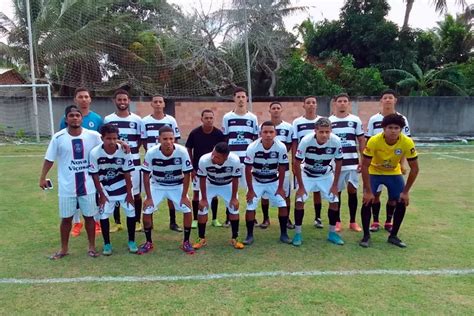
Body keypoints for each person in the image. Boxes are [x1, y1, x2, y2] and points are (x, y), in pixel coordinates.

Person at [40, 105, 102, 259]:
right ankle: (64, 249)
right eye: (71, 115)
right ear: (66, 119)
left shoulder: (93, 135)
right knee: (66, 219)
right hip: (67, 186)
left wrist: (122, 143)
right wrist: (42, 177)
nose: (75, 118)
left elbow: (109, 142)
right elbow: (49, 159)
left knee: (89, 217)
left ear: (81, 118)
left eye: (77, 115)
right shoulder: (58, 137)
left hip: (88, 185)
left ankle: (92, 247)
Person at [359, 114, 419, 248]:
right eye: (390, 127)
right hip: (375, 172)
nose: (393, 130)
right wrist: (368, 191)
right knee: (367, 200)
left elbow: (415, 169)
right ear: (384, 128)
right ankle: (366, 236)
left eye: (397, 128)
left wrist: (406, 192)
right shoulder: (374, 141)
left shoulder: (407, 142)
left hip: (393, 172)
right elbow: (365, 165)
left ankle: (393, 236)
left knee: (401, 201)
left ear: (401, 129)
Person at [140, 126, 195, 254]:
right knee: (147, 210)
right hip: (157, 184)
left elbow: (187, 174)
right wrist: (148, 197)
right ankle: (148, 242)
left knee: (187, 208)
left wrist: (184, 195)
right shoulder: (151, 152)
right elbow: (146, 175)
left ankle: (186, 242)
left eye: (171, 138)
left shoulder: (181, 151)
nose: (168, 142)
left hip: (177, 185)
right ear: (158, 139)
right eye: (165, 139)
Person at [293, 118, 344, 247]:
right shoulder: (306, 141)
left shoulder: (336, 141)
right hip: (307, 174)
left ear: (331, 131)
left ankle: (332, 233)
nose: (324, 135)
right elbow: (296, 162)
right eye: (321, 132)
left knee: (334, 202)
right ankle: (298, 233)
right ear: (315, 131)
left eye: (327, 132)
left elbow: (339, 162)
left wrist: (334, 185)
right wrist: (301, 186)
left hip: (326, 175)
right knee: (299, 201)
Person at [59, 87, 103, 238]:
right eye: (80, 97)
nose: (84, 99)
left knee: (93, 193)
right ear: (75, 99)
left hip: (91, 165)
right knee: (73, 193)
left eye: (86, 96)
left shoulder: (97, 119)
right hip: (74, 165)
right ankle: (77, 222)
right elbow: (62, 139)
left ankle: (96, 221)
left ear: (90, 99)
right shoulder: (66, 118)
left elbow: (103, 140)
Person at [366, 89, 411, 232]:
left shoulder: (402, 119)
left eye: (390, 98)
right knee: (375, 195)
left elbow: (405, 144)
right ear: (381, 100)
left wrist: (401, 163)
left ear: (395, 100)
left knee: (394, 198)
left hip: (393, 166)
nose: (388, 100)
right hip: (375, 166)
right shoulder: (374, 119)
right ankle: (375, 221)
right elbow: (369, 143)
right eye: (385, 98)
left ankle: (388, 221)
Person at [89, 124, 138, 255]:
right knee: (103, 214)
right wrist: (101, 195)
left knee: (131, 212)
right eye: (108, 138)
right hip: (105, 188)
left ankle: (132, 241)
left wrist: (129, 193)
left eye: (114, 138)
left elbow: (127, 173)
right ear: (102, 138)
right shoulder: (95, 153)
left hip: (123, 186)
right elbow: (94, 175)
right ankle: (107, 244)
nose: (112, 141)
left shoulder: (124, 151)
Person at [243, 121, 291, 245]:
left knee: (283, 205)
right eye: (265, 132)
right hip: (256, 181)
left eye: (271, 132)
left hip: (273, 180)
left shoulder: (281, 147)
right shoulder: (252, 147)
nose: (268, 135)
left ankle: (284, 234)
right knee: (250, 206)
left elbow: (282, 167)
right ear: (260, 133)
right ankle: (249, 235)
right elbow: (247, 169)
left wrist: (280, 188)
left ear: (275, 133)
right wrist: (251, 190)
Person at [140, 95, 183, 232]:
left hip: (169, 159)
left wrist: (171, 156)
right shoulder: (145, 121)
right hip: (154, 161)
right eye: (155, 102)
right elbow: (144, 141)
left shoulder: (171, 120)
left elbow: (175, 140)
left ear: (164, 104)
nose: (158, 104)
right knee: (151, 191)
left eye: (160, 101)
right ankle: (149, 222)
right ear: (151, 104)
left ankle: (173, 222)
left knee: (170, 188)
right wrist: (152, 155)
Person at [104, 90, 143, 233]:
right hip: (114, 162)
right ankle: (117, 222)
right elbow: (106, 137)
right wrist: (121, 146)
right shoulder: (108, 119)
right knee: (114, 191)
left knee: (136, 193)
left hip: (134, 162)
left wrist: (130, 151)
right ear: (115, 100)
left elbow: (140, 139)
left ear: (128, 101)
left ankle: (137, 221)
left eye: (124, 99)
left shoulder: (137, 120)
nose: (122, 102)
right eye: (119, 99)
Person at [193, 142, 244, 250]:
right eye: (213, 153)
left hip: (227, 184)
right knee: (202, 209)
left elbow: (235, 179)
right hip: (210, 184)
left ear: (225, 158)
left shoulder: (234, 160)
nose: (213, 157)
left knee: (234, 209)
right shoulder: (204, 160)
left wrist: (234, 198)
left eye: (217, 157)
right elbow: (202, 179)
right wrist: (203, 199)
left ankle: (235, 238)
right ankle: (201, 238)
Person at [221, 87, 259, 226]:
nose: (241, 99)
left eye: (243, 97)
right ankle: (229, 216)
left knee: (251, 188)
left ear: (247, 99)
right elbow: (225, 139)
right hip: (232, 160)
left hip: (248, 161)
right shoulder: (227, 117)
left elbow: (255, 140)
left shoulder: (253, 118)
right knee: (231, 189)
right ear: (234, 99)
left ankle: (252, 215)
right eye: (238, 97)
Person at [329, 93, 365, 232]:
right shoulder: (329, 120)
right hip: (336, 163)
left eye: (345, 101)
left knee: (352, 190)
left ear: (348, 103)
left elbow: (361, 140)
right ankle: (337, 221)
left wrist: (363, 159)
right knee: (336, 191)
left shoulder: (355, 120)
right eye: (340, 101)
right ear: (335, 103)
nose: (342, 103)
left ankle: (353, 221)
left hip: (352, 162)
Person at [185, 109, 225, 229]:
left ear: (214, 119)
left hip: (214, 169)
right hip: (198, 169)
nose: (209, 120)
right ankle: (196, 219)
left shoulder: (218, 134)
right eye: (206, 118)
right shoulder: (194, 133)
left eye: (211, 118)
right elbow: (188, 149)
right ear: (201, 119)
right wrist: (191, 168)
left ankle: (214, 219)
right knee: (197, 194)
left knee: (213, 195)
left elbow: (223, 150)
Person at [259, 102, 294, 230]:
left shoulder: (288, 127)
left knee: (286, 194)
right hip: (266, 166)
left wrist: (279, 154)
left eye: (278, 108)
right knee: (264, 194)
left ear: (281, 110)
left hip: (282, 165)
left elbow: (290, 144)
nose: (276, 110)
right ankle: (266, 218)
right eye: (273, 108)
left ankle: (287, 219)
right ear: (269, 111)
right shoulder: (262, 127)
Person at [291, 96, 324, 229]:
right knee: (301, 191)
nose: (311, 105)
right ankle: (298, 221)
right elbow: (295, 142)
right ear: (303, 105)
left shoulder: (322, 121)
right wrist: (294, 161)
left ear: (316, 105)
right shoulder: (297, 122)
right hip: (302, 162)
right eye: (308, 103)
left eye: (313, 103)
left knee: (317, 191)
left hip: (319, 160)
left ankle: (318, 217)